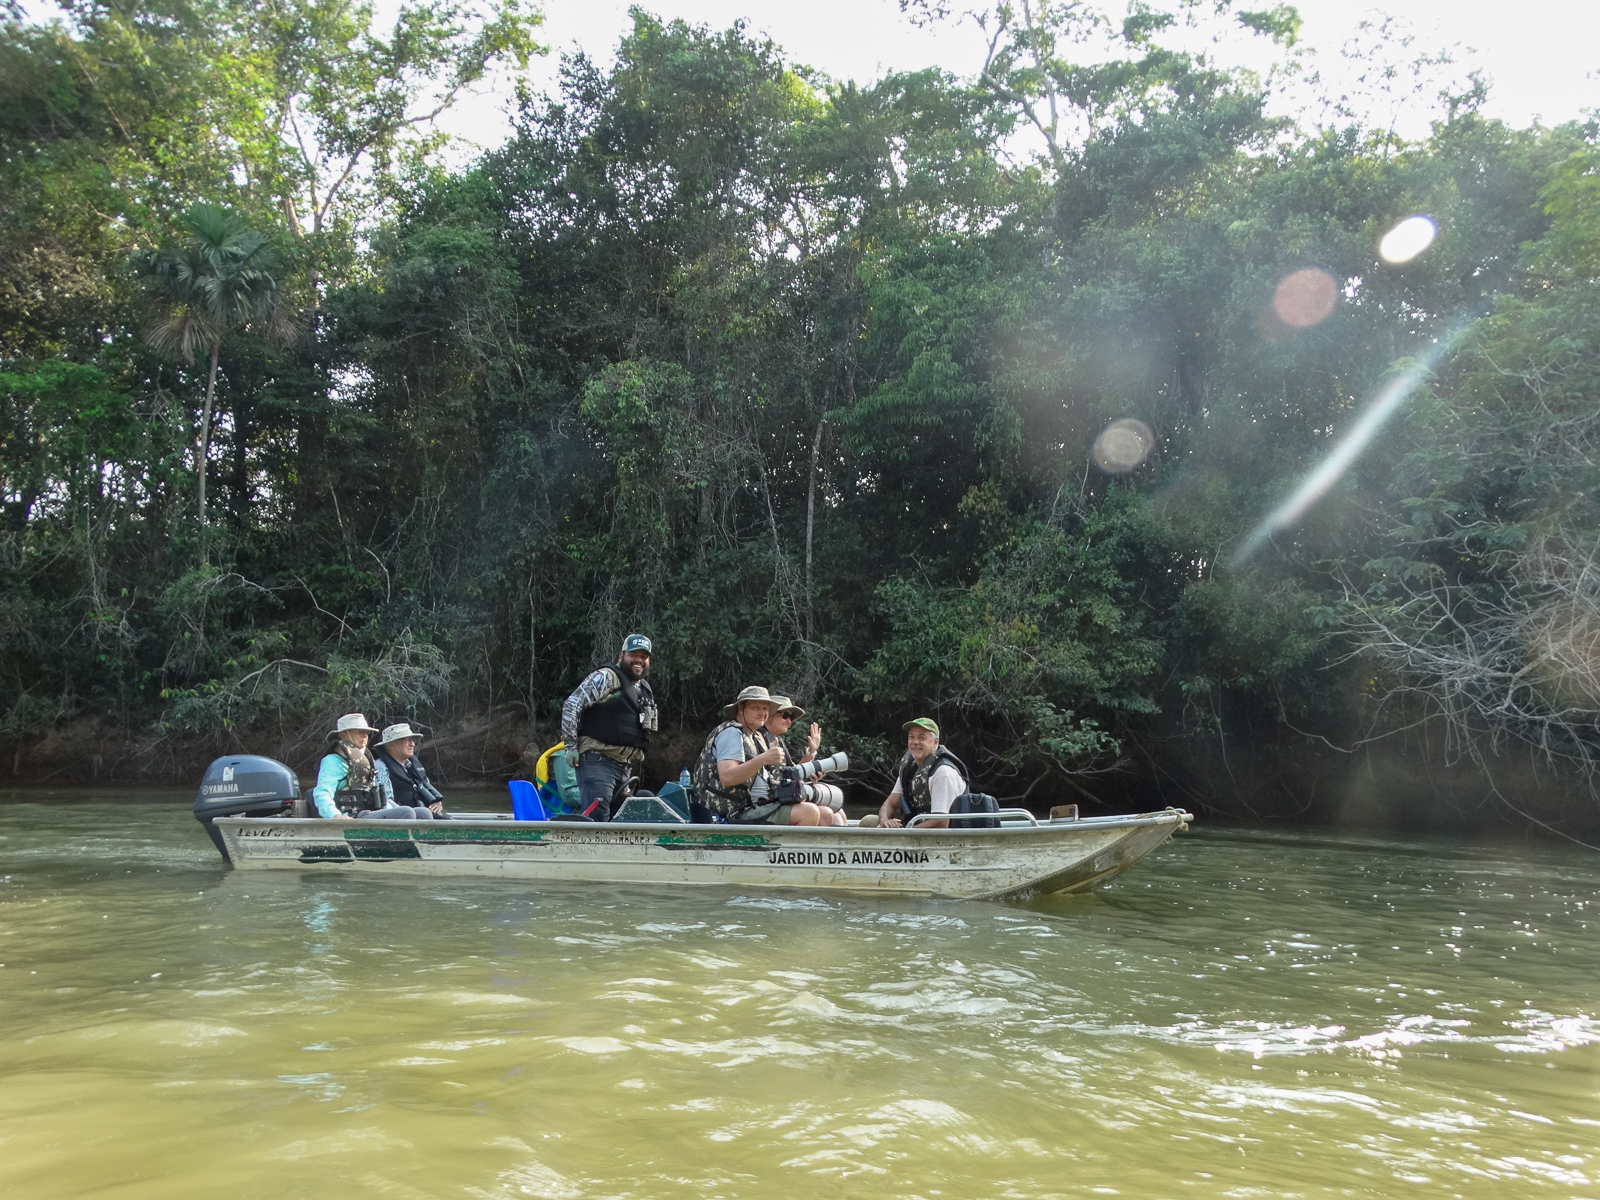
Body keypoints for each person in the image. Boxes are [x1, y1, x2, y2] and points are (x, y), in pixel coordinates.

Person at [692, 686, 832, 826]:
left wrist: (810, 758)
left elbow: (780, 777)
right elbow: (727, 778)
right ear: (741, 709)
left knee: (825, 814)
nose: (762, 713)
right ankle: (787, 848)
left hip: (756, 804)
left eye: (765, 709)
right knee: (809, 812)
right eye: (755, 708)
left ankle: (801, 848)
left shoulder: (754, 736)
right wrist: (764, 759)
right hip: (734, 811)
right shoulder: (732, 734)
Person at [560, 633, 659, 821]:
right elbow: (572, 704)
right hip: (597, 761)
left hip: (624, 767)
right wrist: (570, 747)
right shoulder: (606, 677)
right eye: (633, 655)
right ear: (621, 656)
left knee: (621, 820)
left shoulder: (643, 689)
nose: (639, 660)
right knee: (597, 819)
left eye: (644, 657)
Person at [311, 713, 433, 820]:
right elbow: (322, 793)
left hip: (370, 813)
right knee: (406, 812)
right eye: (359, 732)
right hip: (351, 816)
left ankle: (423, 846)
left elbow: (378, 796)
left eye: (366, 733)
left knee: (424, 813)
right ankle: (405, 846)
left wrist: (390, 810)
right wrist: (335, 815)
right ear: (343, 735)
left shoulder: (366, 761)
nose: (364, 736)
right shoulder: (333, 761)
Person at [868, 717, 968, 829]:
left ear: (935, 742)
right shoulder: (909, 767)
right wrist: (885, 821)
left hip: (941, 838)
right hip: (914, 828)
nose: (915, 742)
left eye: (922, 738)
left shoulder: (943, 772)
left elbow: (941, 822)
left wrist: (905, 832)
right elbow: (890, 803)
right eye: (911, 737)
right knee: (868, 821)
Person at [764, 695, 845, 826]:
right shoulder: (760, 739)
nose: (789, 721)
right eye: (785, 715)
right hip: (768, 799)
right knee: (825, 813)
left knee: (836, 812)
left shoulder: (777, 741)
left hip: (780, 796)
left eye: (791, 718)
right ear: (770, 714)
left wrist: (811, 752)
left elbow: (793, 773)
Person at [372, 722, 451, 818]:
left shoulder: (412, 765)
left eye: (413, 740)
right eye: (407, 740)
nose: (412, 744)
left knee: (450, 821)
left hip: (423, 814)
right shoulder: (381, 766)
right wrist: (408, 813)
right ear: (392, 745)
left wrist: (436, 803)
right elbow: (386, 801)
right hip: (403, 818)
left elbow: (427, 786)